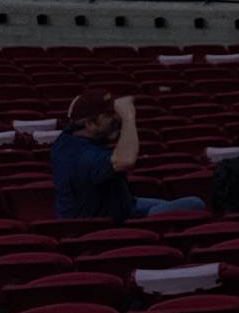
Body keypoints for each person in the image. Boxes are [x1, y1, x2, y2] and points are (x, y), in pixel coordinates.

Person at [53, 93, 203, 221]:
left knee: (168, 205)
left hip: (119, 206)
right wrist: (128, 118)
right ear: (90, 124)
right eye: (109, 115)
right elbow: (126, 160)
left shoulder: (67, 139)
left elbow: (76, 114)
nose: (115, 119)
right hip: (103, 226)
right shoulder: (84, 156)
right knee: (194, 204)